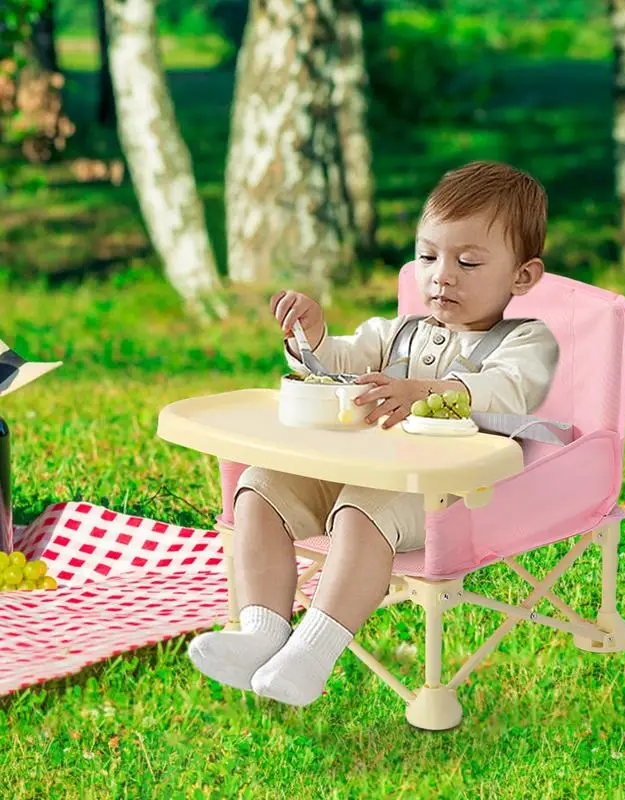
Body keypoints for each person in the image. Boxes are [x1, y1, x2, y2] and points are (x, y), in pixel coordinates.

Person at [189, 161, 560, 706]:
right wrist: (313, 334)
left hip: (445, 495)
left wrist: (429, 392)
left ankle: (311, 654)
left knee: (364, 510)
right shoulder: (399, 332)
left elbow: (509, 391)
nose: (442, 275)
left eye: (469, 262)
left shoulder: (527, 340)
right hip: (353, 471)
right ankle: (262, 633)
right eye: (428, 256)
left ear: (522, 277)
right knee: (260, 487)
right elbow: (339, 361)